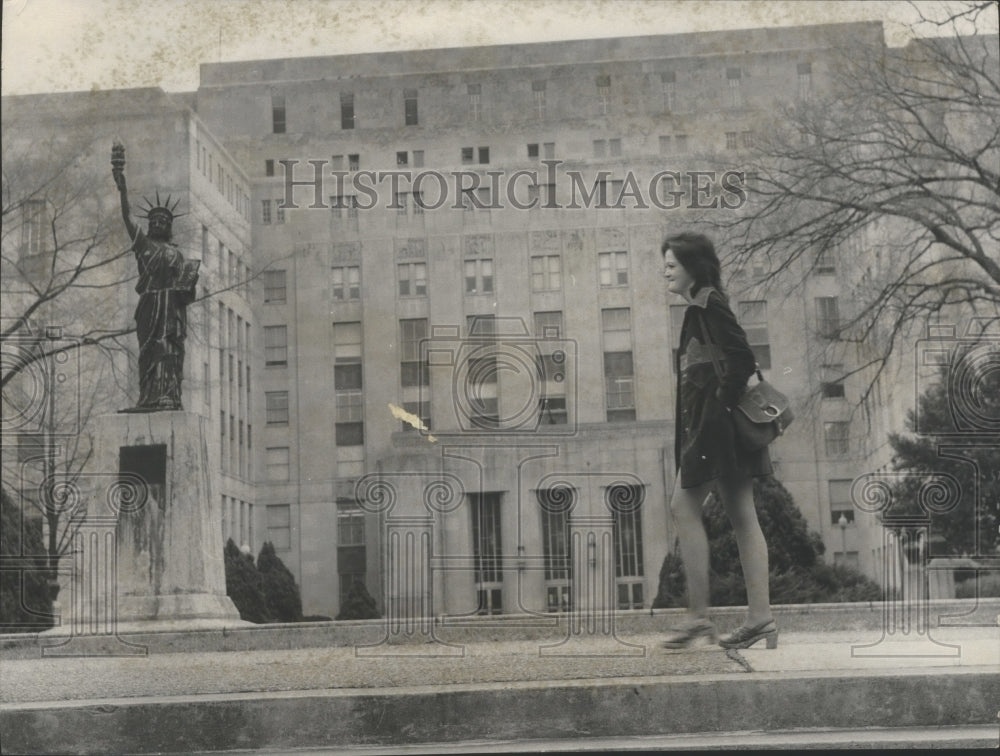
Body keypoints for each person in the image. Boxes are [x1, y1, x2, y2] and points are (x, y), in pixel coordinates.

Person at [660, 232, 777, 650]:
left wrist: (720, 409)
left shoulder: (707, 303)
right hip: (719, 430)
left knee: (682, 506)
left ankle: (698, 620)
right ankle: (760, 619)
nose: (667, 271)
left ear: (694, 266)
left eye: (672, 265)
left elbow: (743, 356)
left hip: (716, 429)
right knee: (744, 516)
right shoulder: (701, 306)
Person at [112, 143, 199, 411]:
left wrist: (187, 286)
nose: (158, 224)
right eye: (154, 221)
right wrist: (122, 187)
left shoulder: (178, 255)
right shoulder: (144, 245)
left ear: (170, 227)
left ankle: (169, 397)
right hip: (150, 306)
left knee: (170, 351)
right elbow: (127, 217)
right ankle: (148, 397)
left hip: (172, 310)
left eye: (163, 221)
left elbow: (187, 293)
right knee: (149, 351)